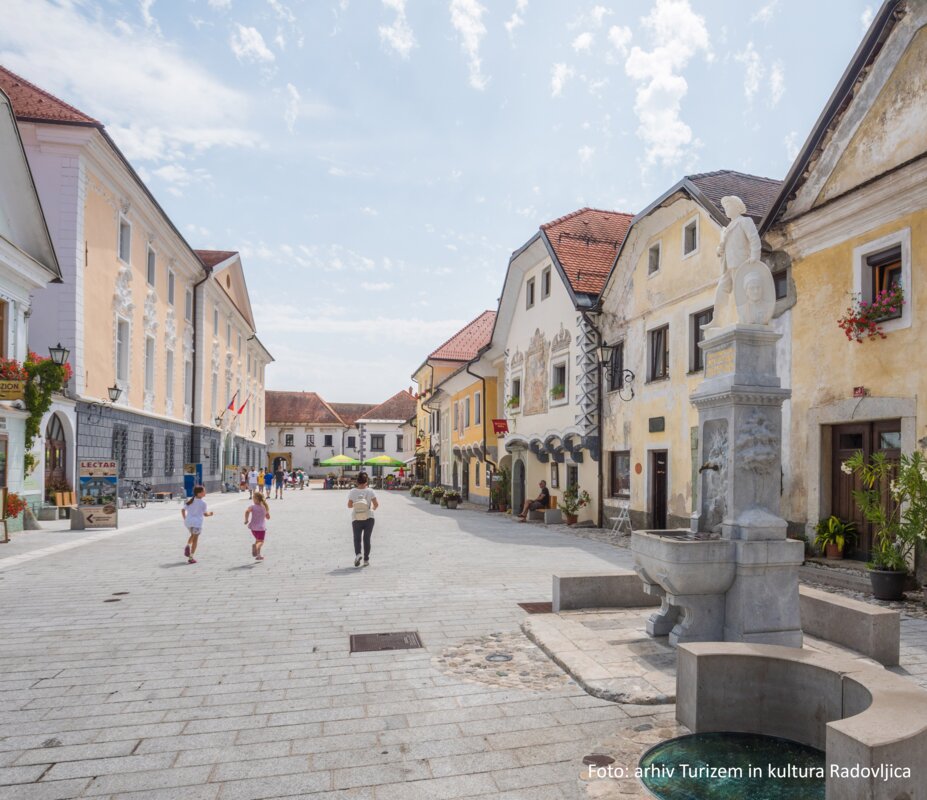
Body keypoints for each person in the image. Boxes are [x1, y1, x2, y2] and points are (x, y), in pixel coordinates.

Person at [347, 472, 379, 567]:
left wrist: (357, 505)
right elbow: (376, 504)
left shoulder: (353, 491)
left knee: (357, 538)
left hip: (356, 518)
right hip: (369, 518)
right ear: (366, 481)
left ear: (357, 481)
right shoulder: (370, 491)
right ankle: (366, 560)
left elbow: (349, 505)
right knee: (366, 539)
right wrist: (370, 510)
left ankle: (358, 554)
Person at [181, 485, 213, 563]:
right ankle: (191, 558)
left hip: (188, 522)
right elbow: (205, 514)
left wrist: (185, 519)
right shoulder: (203, 503)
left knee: (192, 535)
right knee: (195, 540)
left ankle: (187, 546)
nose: (205, 492)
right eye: (203, 491)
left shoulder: (190, 500)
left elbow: (182, 510)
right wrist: (210, 514)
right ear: (199, 493)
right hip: (197, 523)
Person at [244, 491, 271, 561]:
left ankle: (258, 555)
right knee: (261, 542)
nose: (253, 499)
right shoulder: (264, 507)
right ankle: (256, 547)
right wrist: (267, 515)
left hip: (253, 528)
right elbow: (268, 517)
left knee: (258, 540)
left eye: (253, 498)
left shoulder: (252, 507)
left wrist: (246, 520)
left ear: (256, 499)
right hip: (261, 528)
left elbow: (247, 511)